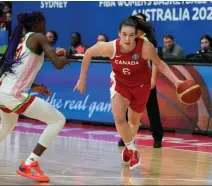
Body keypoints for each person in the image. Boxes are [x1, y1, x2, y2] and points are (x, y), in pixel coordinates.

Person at [74, 16, 182, 170]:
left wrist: (177, 82)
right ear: (119, 33)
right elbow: (89, 53)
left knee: (133, 121)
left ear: (137, 35)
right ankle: (132, 149)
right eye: (124, 34)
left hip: (141, 86)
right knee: (118, 117)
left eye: (131, 35)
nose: (127, 38)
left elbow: (160, 64)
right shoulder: (111, 47)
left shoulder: (146, 46)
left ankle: (128, 147)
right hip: (120, 83)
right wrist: (82, 79)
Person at [0, 12, 70, 182]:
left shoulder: (24, 39)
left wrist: (35, 86)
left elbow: (18, 69)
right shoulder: (39, 37)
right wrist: (65, 58)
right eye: (43, 23)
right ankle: (30, 164)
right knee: (58, 120)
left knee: (7, 126)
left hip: (1, 90)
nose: (45, 26)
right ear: (36, 25)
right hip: (13, 94)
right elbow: (57, 63)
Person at [117, 13, 163, 148]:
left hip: (146, 79)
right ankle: (126, 138)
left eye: (139, 21)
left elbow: (155, 62)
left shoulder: (149, 41)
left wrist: (153, 78)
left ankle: (157, 137)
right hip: (130, 80)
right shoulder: (128, 38)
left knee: (152, 109)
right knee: (126, 109)